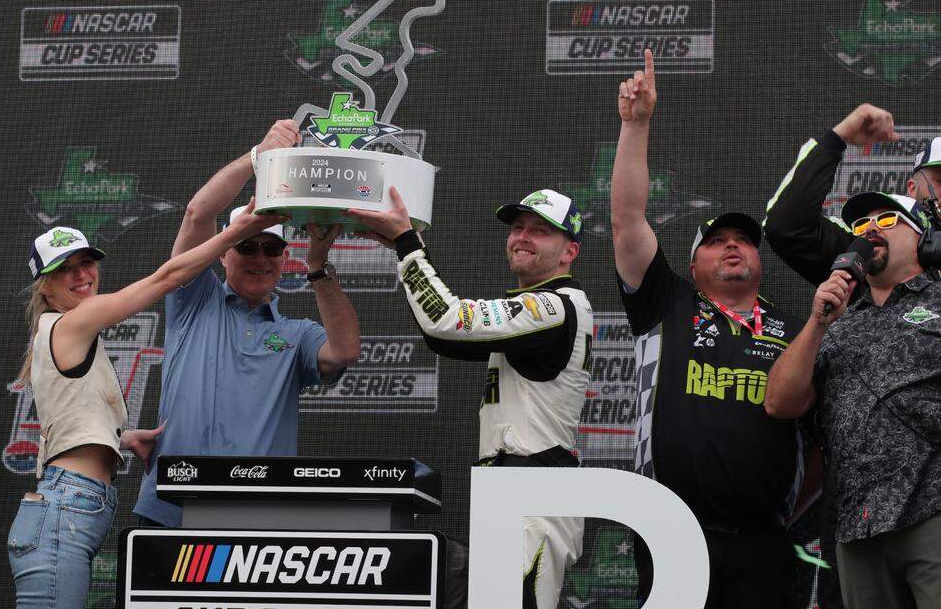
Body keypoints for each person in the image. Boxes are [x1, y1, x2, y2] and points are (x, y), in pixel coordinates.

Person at [611, 50, 805, 609]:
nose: (733, 247)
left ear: (759, 262)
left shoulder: (795, 330)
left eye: (743, 240)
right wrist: (636, 124)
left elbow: (816, 438)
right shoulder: (664, 302)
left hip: (763, 541)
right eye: (717, 241)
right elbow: (627, 219)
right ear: (693, 266)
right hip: (669, 529)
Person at [9, 209, 280, 608]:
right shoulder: (71, 323)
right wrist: (235, 233)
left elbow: (67, 419)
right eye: (65, 269)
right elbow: (167, 278)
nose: (81, 274)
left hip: (69, 506)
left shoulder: (63, 329)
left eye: (86, 262)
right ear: (44, 285)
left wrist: (118, 439)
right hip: (63, 510)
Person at [350, 187, 593, 609]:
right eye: (517, 227)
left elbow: (446, 325)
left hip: (534, 494)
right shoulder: (539, 309)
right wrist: (409, 247)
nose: (522, 237)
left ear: (570, 251)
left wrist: (409, 246)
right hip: (515, 492)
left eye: (540, 231)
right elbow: (451, 337)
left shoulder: (554, 307)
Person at [133, 119, 361, 527]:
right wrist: (258, 158)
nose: (260, 257)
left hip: (260, 515)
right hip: (174, 507)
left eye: (271, 247)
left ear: (283, 258)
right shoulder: (193, 297)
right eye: (247, 245)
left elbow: (344, 351)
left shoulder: (296, 333)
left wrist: (318, 265)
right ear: (223, 254)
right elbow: (198, 213)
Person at [761, 106, 941, 608]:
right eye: (939, 182)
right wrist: (840, 135)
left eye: (887, 218)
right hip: (858, 519)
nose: (872, 228)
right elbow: (789, 223)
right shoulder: (846, 300)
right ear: (920, 187)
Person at [765, 103, 941, 286]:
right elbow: (788, 228)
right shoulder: (873, 239)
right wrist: (838, 139)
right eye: (940, 181)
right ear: (912, 189)